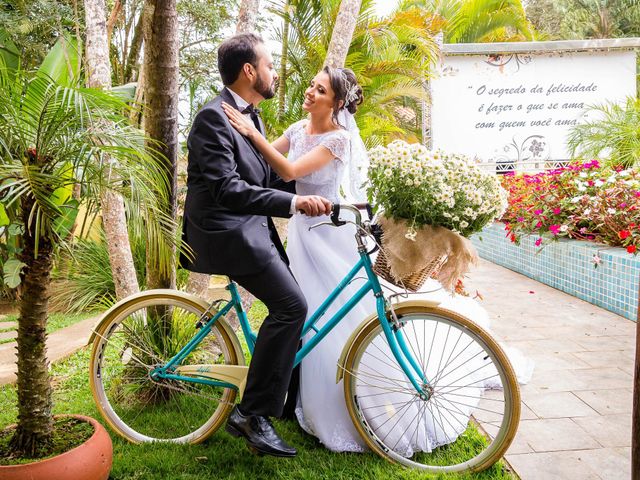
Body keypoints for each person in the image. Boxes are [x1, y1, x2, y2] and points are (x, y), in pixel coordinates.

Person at [222, 66, 534, 453]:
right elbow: (269, 161)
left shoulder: (337, 139)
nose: (310, 92)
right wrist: (242, 141)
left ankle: (340, 394)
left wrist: (252, 132)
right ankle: (287, 395)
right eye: (311, 85)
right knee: (309, 312)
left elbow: (289, 170)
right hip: (305, 234)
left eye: (319, 90)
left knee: (343, 311)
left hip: (330, 233)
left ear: (336, 102)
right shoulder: (299, 129)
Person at [181, 33, 332, 458]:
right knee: (291, 307)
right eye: (269, 65)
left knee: (292, 305)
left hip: (251, 228)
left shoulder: (251, 116)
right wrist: (294, 201)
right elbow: (228, 189)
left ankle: (277, 401)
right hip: (225, 231)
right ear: (250, 71)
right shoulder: (212, 117)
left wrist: (319, 177)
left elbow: (263, 179)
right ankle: (253, 414)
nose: (274, 72)